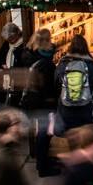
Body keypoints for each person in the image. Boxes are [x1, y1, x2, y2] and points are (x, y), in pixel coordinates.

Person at [23, 28, 59, 177]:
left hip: (32, 100)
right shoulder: (46, 63)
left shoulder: (28, 54)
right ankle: (43, 167)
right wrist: (53, 99)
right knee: (45, 134)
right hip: (44, 102)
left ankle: (42, 162)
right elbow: (48, 84)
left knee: (42, 134)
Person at [55, 34, 93, 135]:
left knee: (72, 139)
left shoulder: (62, 64)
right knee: (87, 140)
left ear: (70, 48)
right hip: (88, 111)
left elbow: (56, 86)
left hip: (66, 111)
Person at [0, 22, 35, 107]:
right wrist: (3, 64)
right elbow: (0, 55)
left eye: (11, 38)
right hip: (6, 74)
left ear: (17, 34)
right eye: (8, 39)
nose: (9, 41)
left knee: (16, 98)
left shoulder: (24, 44)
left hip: (18, 76)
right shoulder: (7, 44)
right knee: (2, 95)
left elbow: (24, 62)